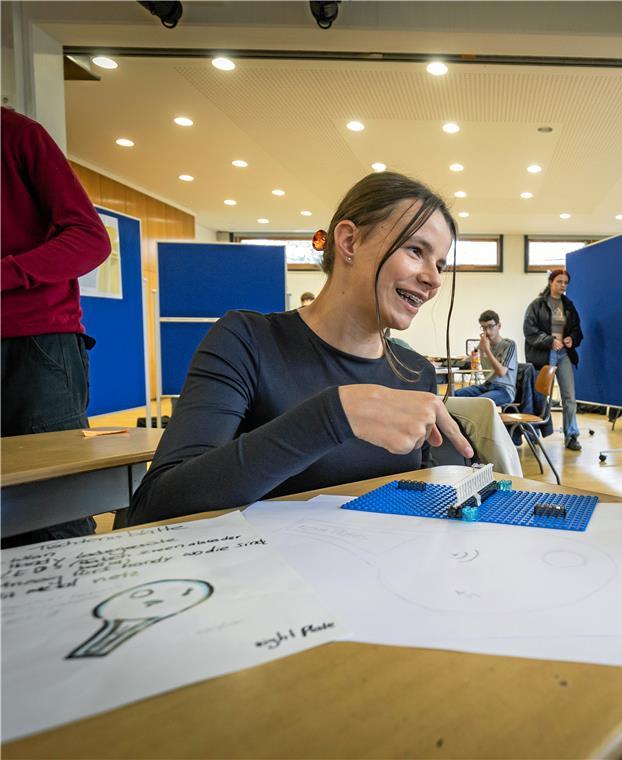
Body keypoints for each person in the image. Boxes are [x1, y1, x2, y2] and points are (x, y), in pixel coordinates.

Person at [127, 172, 473, 525]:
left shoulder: (416, 373)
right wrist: (335, 416)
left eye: (440, 265)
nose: (433, 279)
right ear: (350, 241)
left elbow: (422, 502)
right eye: (416, 251)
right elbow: (157, 506)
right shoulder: (246, 341)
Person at [1, 107, 112, 547]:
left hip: (35, 342)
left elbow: (90, 239)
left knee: (53, 508)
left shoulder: (17, 135)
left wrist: (8, 274)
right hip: (35, 342)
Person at [523, 269, 584, 451]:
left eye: (565, 282)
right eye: (559, 281)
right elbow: (529, 330)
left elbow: (577, 330)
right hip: (544, 355)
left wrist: (571, 338)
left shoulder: (568, 305)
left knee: (569, 397)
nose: (562, 285)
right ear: (551, 282)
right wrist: (550, 341)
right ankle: (534, 433)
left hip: (564, 354)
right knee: (540, 396)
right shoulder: (537, 305)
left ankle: (572, 436)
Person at [453, 310, 518, 407]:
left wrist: (487, 350)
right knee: (453, 395)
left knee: (478, 402)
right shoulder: (483, 344)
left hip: (504, 390)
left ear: (499, 326)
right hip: (486, 385)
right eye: (483, 328)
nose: (487, 332)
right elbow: (471, 359)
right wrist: (447, 361)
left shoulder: (509, 345)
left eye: (490, 327)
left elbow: (501, 372)